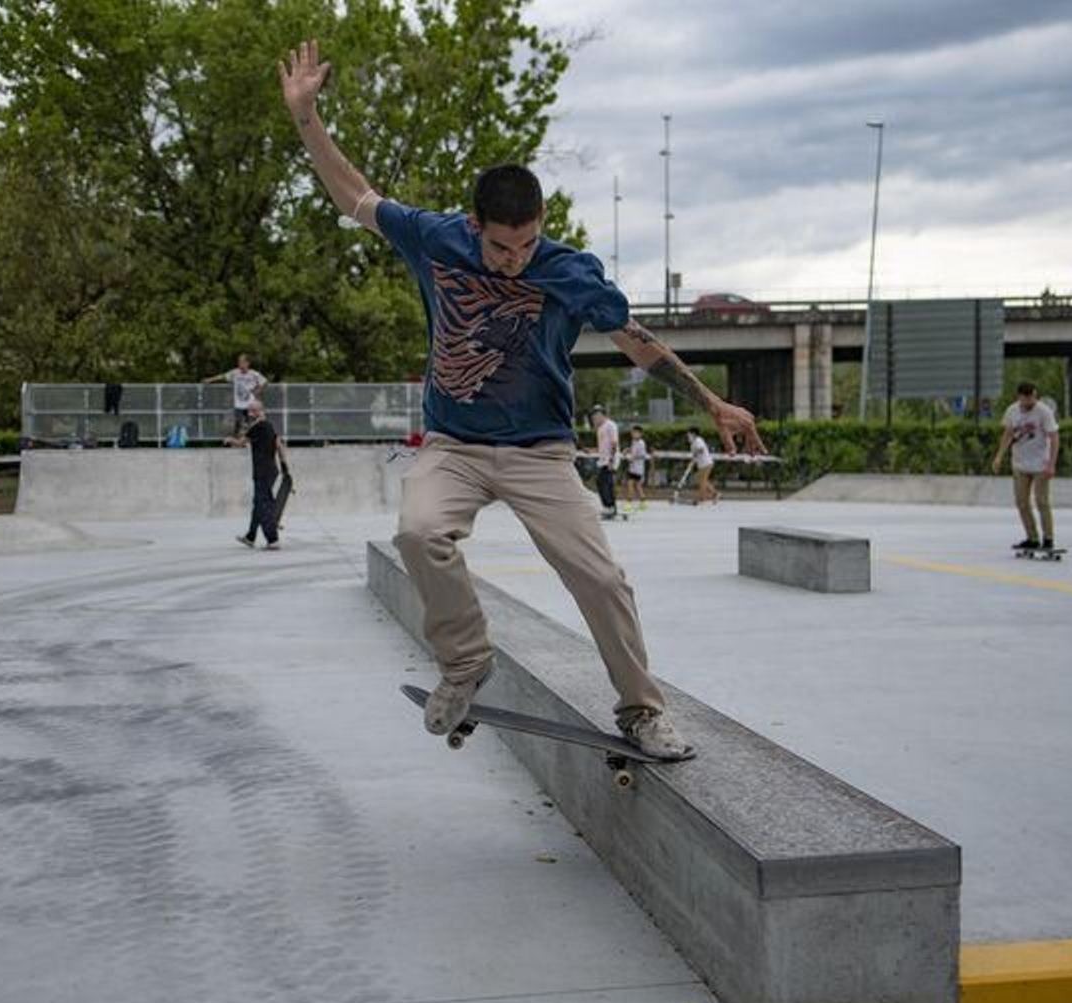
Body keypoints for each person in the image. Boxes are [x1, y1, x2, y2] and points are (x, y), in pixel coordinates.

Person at [278, 40, 765, 758]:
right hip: (456, 447)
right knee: (418, 531)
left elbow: (636, 340)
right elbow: (354, 195)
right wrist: (307, 119)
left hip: (540, 450)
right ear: (476, 226)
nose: (516, 260)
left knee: (601, 578)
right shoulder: (435, 238)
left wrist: (709, 400)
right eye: (504, 248)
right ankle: (468, 663)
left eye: (528, 244)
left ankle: (641, 708)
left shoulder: (569, 271)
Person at [992, 382, 1061, 550]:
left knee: (1041, 501)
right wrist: (999, 456)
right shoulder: (1012, 411)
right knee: (1021, 502)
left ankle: (1048, 538)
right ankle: (1032, 538)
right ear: (1020, 397)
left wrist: (1051, 464)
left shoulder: (1044, 411)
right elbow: (1008, 434)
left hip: (1040, 465)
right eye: (1027, 398)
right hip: (1020, 464)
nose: (1031, 401)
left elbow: (1054, 437)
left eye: (1033, 397)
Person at [230, 398, 287, 550]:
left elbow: (241, 442)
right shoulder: (269, 426)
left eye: (250, 411)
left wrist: (228, 440)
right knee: (258, 504)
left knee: (264, 505)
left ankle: (273, 540)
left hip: (262, 471)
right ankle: (250, 536)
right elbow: (279, 444)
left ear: (256, 412)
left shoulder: (258, 426)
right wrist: (284, 464)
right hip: (270, 470)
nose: (248, 414)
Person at [204, 354, 269, 436]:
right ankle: (237, 438)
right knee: (238, 421)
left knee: (251, 422)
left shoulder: (254, 374)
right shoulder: (235, 373)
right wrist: (210, 379)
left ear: (247, 363)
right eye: (239, 362)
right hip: (239, 404)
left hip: (250, 404)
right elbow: (223, 376)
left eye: (242, 362)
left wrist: (257, 391)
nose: (240, 364)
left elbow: (264, 382)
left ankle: (250, 438)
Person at [592, 406, 620, 520]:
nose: (594, 418)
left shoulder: (610, 425)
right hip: (603, 460)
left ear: (602, 415)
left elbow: (614, 443)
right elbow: (602, 446)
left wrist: (611, 460)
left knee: (606, 483)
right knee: (601, 483)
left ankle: (610, 508)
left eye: (596, 415)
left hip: (610, 460)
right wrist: (592, 450)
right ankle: (609, 507)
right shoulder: (600, 428)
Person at [686, 427, 718, 504]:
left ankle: (702, 497)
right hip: (702, 464)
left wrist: (695, 454)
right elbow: (695, 454)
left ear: (693, 434)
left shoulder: (698, 440)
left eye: (689, 434)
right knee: (700, 479)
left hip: (706, 463)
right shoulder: (693, 443)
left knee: (702, 480)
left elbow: (701, 449)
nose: (688, 436)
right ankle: (715, 494)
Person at [623, 426, 649, 511]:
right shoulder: (634, 442)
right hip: (633, 467)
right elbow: (633, 450)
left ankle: (629, 503)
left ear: (640, 434)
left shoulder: (641, 443)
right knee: (637, 485)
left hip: (637, 469)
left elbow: (642, 455)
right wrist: (628, 450)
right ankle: (643, 503)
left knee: (630, 484)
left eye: (635, 433)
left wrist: (631, 457)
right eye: (632, 433)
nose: (633, 434)